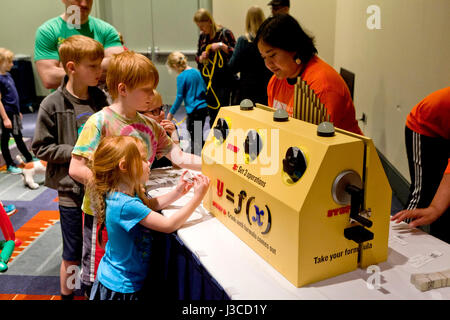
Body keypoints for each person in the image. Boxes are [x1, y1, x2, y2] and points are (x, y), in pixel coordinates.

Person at [68, 51, 202, 297]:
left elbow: (179, 157)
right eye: (147, 90)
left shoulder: (149, 125)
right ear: (123, 89)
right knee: (98, 276)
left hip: (136, 206)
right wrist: (114, 195)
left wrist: (215, 164)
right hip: (103, 214)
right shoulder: (99, 122)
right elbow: (76, 168)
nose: (152, 96)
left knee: (131, 269)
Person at [31, 35, 108, 300]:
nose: (100, 72)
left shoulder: (101, 100)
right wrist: (78, 151)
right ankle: (68, 296)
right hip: (71, 192)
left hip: (99, 189)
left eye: (100, 66)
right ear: (72, 67)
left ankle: (87, 291)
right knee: (73, 252)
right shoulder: (52, 104)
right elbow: (40, 147)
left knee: (96, 248)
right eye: (93, 67)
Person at [88, 135, 210, 300]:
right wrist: (198, 197)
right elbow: (169, 225)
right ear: (124, 166)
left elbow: (147, 206)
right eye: (144, 160)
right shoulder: (125, 204)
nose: (148, 164)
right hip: (121, 287)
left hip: (117, 279)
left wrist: (178, 192)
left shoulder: (123, 192)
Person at [255, 14, 363, 135]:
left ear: (293, 47)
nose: (268, 64)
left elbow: (320, 142)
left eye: (272, 55)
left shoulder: (323, 85)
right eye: (264, 57)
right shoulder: (275, 82)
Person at [391, 87, 450, 243]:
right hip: (426, 127)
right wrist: (435, 208)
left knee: (444, 205)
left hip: (446, 127)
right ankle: (399, 240)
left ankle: (441, 246)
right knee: (423, 193)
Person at [34, 0, 124, 90]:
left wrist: (70, 69)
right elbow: (50, 79)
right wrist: (99, 66)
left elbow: (119, 68)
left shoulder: (106, 30)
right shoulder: (48, 31)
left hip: (101, 100)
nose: (84, 4)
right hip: (64, 101)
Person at [193, 8, 236, 129]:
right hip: (208, 81)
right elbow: (197, 56)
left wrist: (222, 46)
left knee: (222, 111)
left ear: (209, 21)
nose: (201, 29)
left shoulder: (225, 33)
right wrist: (201, 58)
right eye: (199, 27)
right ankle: (215, 138)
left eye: (202, 26)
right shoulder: (203, 37)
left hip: (223, 80)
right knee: (211, 111)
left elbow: (236, 53)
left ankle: (224, 137)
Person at [228, 6, 272, 105]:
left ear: (247, 20)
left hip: (247, 90)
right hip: (267, 87)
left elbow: (233, 66)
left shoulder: (243, 41)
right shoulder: (269, 40)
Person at [166, 51, 208, 155]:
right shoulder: (196, 72)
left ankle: (196, 157)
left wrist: (170, 114)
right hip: (203, 108)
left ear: (175, 66)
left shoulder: (181, 77)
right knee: (199, 133)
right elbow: (204, 88)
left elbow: (179, 98)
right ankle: (200, 152)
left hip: (193, 110)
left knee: (193, 135)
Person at [0, 48, 34, 174]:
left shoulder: (8, 75)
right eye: (9, 62)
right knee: (5, 139)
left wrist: (18, 111)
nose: (12, 64)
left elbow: (13, 95)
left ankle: (28, 157)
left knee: (18, 135)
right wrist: (5, 118)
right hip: (6, 114)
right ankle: (9, 163)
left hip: (13, 113)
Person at [141, 90, 179, 169]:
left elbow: (178, 164)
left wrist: (174, 136)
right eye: (155, 111)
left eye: (161, 108)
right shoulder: (135, 136)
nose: (162, 113)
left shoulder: (168, 130)